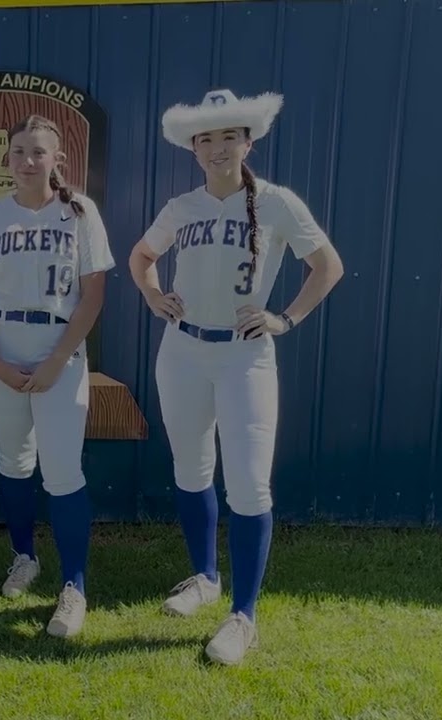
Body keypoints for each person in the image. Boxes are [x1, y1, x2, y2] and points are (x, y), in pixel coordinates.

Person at [128, 89, 345, 664]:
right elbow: (140, 257)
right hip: (183, 351)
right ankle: (204, 577)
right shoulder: (182, 206)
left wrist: (285, 318)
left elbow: (328, 265)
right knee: (191, 469)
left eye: (229, 136)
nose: (218, 147)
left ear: (249, 141)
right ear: (193, 147)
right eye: (206, 138)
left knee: (248, 485)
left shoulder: (276, 202)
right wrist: (154, 296)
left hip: (245, 355)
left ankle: (243, 616)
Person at [0, 114, 115, 638]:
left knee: (63, 471)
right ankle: (24, 556)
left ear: (57, 160)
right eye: (19, 151)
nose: (28, 161)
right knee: (14, 460)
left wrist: (55, 361)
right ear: (7, 158)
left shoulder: (79, 212)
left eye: (38, 152)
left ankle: (74, 586)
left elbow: (93, 296)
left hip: (59, 350)